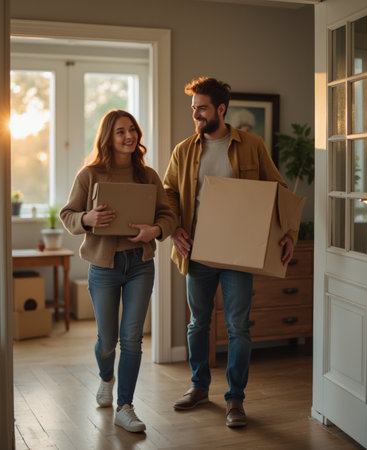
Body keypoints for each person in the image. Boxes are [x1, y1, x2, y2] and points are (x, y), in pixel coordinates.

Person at [163, 77, 296, 428]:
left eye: (202, 108)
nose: (196, 114)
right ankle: (198, 388)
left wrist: (289, 234)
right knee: (198, 324)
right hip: (198, 252)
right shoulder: (184, 151)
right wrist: (175, 228)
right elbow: (169, 194)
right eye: (193, 108)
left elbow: (278, 189)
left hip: (239, 254)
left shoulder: (251, 146)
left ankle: (235, 399)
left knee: (238, 327)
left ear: (221, 110)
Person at [60, 109, 176, 433]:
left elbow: (168, 216)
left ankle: (125, 406)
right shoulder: (89, 174)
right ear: (108, 137)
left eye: (133, 130)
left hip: (140, 264)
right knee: (107, 340)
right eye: (120, 131)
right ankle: (105, 377)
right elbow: (67, 214)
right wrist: (87, 219)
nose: (129, 136)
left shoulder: (148, 176)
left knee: (132, 339)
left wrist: (155, 230)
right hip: (104, 267)